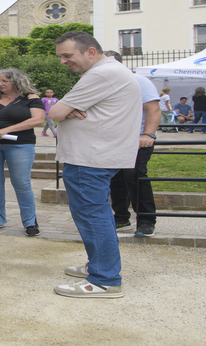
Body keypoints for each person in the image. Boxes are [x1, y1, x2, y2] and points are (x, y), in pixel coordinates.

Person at [48, 32, 142, 298]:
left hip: (90, 157)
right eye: (61, 57)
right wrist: (66, 109)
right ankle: (99, 266)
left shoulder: (101, 74)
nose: (63, 62)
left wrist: (64, 110)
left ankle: (105, 280)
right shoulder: (110, 71)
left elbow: (54, 113)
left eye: (68, 55)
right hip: (96, 156)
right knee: (95, 215)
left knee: (92, 216)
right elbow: (60, 111)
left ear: (90, 51)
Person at [0, 69, 45, 236]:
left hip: (20, 145)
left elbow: (38, 120)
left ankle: (30, 221)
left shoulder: (30, 98)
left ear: (17, 81)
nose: (0, 84)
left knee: (22, 184)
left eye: (5, 81)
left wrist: (6, 130)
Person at [103, 51, 160, 238]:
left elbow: (153, 108)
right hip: (114, 139)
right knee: (115, 178)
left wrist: (148, 134)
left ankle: (145, 220)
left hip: (137, 138)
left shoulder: (139, 81)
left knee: (134, 175)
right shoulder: (102, 82)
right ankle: (121, 217)